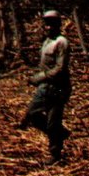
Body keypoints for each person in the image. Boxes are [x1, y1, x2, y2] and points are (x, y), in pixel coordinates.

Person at [19, 10, 72, 164]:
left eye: (52, 24)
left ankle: (55, 154)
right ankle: (60, 133)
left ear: (58, 25)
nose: (48, 27)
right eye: (46, 24)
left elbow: (60, 68)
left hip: (58, 88)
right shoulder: (47, 42)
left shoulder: (62, 42)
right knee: (32, 114)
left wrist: (40, 77)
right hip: (45, 87)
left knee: (53, 122)